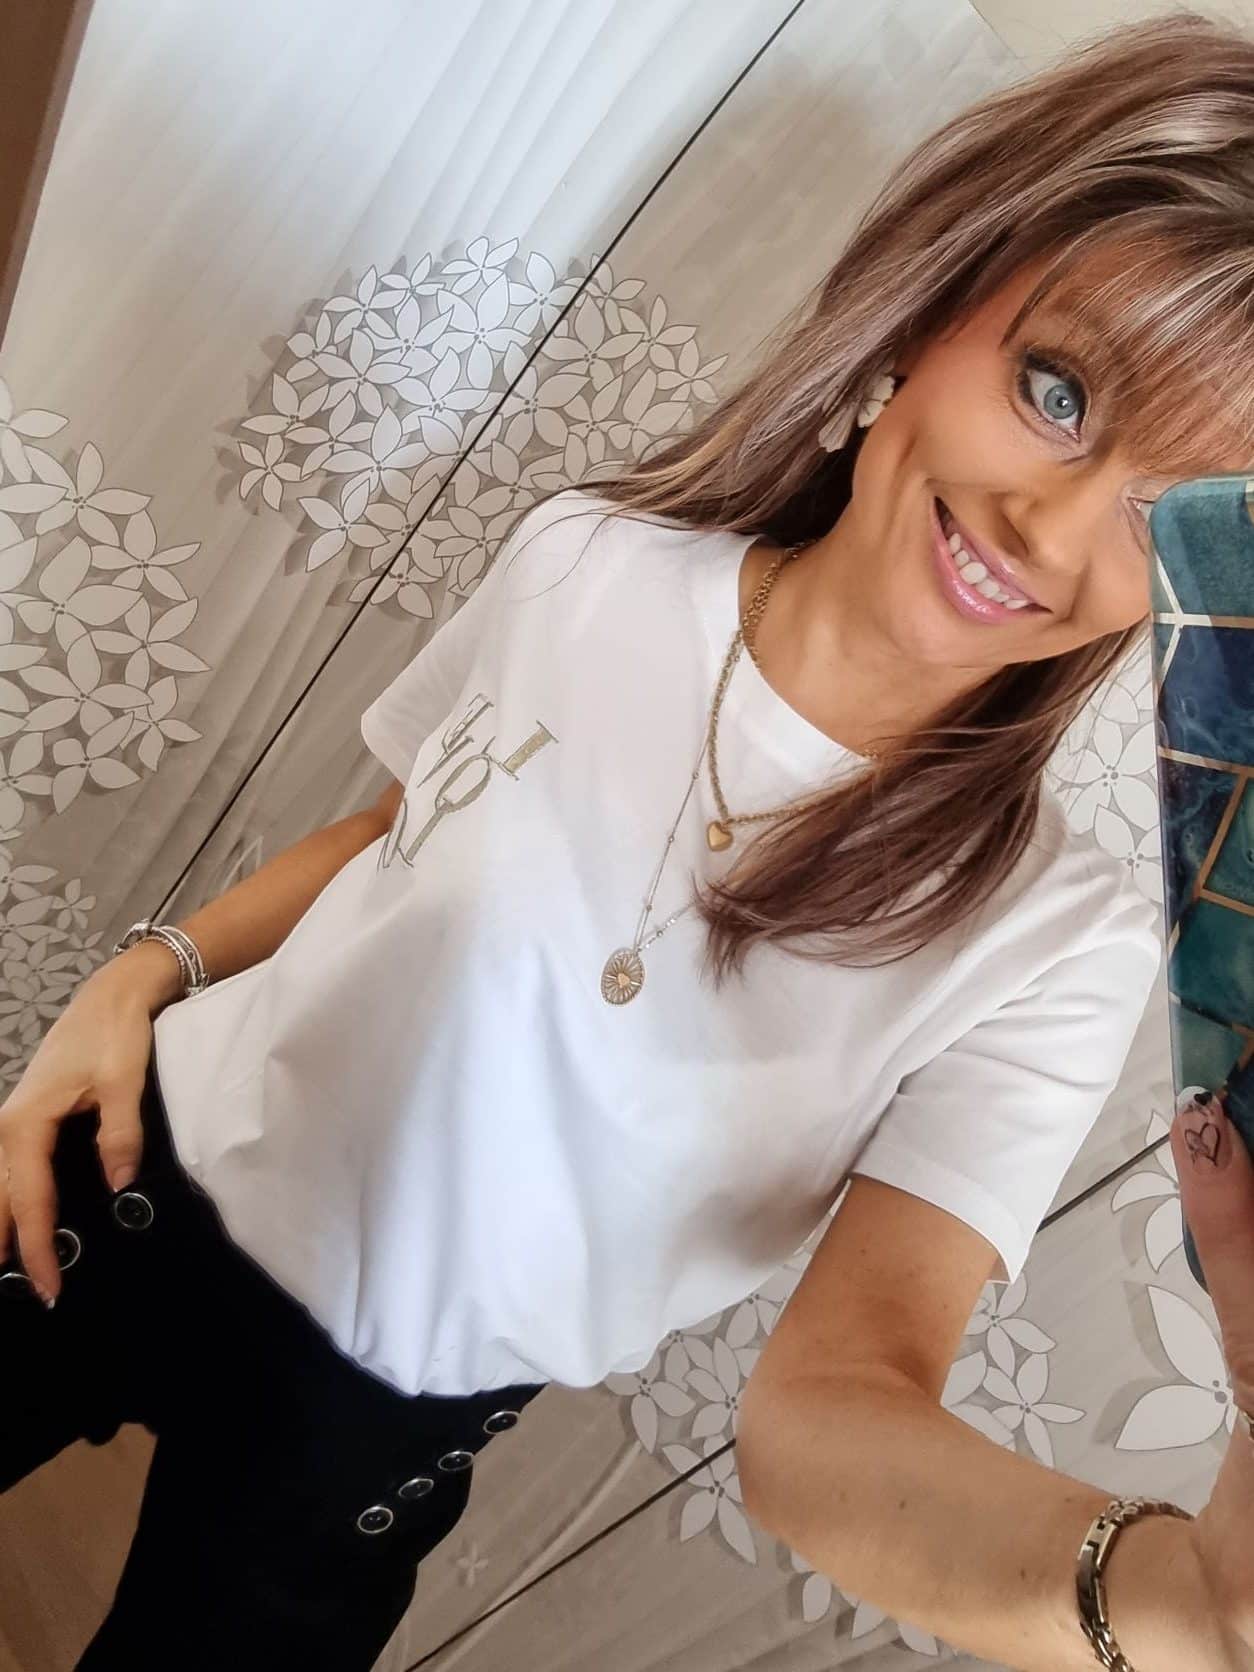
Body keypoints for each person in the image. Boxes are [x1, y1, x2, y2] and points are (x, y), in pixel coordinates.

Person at [3, 13, 1254, 1671]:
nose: (1047, 526)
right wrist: (139, 980)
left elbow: (841, 1395)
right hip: (131, 1178)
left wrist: (1175, 1603)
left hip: (367, 1435)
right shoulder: (588, 558)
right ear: (935, 302)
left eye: (1170, 515)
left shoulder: (1053, 940)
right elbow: (392, 833)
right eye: (1056, 392)